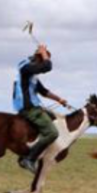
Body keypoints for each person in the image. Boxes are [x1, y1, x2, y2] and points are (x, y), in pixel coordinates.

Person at [13, 44, 69, 174]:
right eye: (43, 59)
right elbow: (47, 67)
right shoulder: (25, 68)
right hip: (29, 108)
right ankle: (29, 159)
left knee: (53, 118)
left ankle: (32, 151)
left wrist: (59, 99)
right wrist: (44, 53)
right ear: (38, 58)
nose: (43, 63)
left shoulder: (31, 75)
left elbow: (43, 91)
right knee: (52, 133)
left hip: (33, 107)